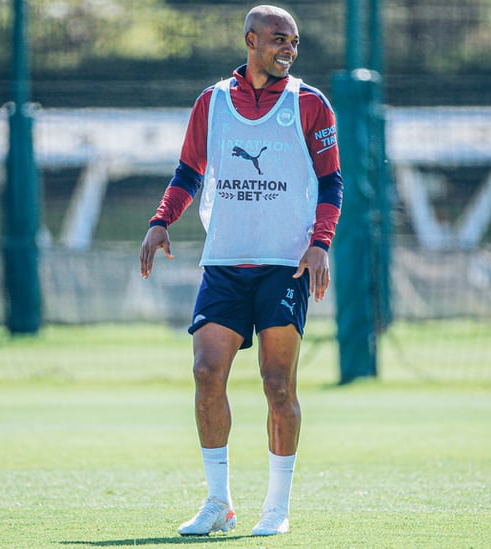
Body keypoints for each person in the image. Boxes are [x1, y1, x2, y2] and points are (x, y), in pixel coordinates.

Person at [138, 4, 342, 537]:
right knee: (206, 372)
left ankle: (275, 509)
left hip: (285, 267)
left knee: (278, 385)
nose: (288, 49)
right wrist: (162, 222)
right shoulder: (213, 102)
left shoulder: (310, 104)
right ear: (250, 40)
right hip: (225, 263)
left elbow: (332, 184)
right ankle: (218, 503)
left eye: (294, 42)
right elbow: (188, 172)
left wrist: (320, 244)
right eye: (278, 39)